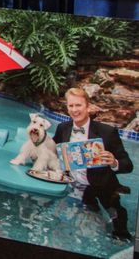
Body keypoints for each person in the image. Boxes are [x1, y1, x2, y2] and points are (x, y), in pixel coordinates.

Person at [53, 87, 133, 241]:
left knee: (116, 221)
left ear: (88, 106)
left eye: (79, 105)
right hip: (73, 184)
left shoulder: (107, 132)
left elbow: (128, 165)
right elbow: (54, 150)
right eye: (71, 106)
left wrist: (114, 162)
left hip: (102, 185)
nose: (74, 110)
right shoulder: (63, 128)